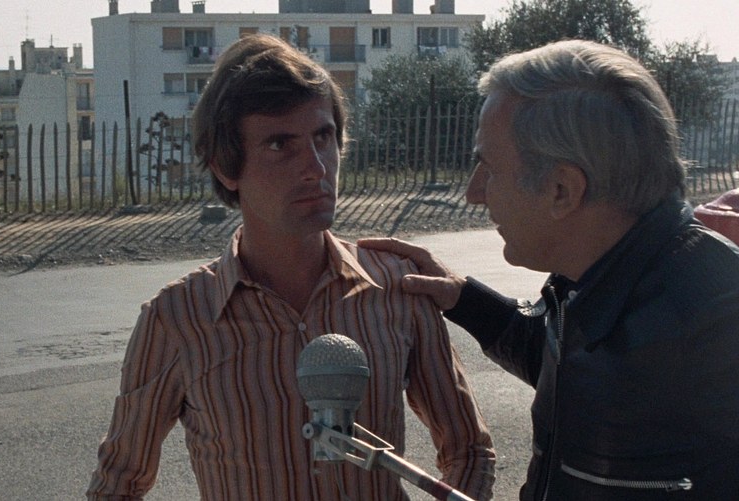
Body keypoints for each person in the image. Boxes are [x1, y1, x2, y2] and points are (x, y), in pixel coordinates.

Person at [86, 34, 495, 500]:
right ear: (225, 167)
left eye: (323, 137)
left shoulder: (397, 289)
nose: (316, 168)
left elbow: (469, 450)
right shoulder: (177, 318)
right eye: (280, 144)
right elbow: (117, 484)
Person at [360, 40, 739, 500]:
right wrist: (465, 299)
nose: (473, 193)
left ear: (562, 190)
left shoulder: (730, 319)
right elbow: (581, 370)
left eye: (488, 168)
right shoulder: (591, 275)